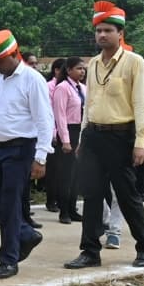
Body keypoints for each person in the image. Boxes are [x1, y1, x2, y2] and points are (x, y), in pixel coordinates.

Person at [65, 1, 144, 269]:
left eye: (108, 31)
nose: (102, 35)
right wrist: (82, 138)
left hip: (121, 137)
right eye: (98, 31)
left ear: (120, 34)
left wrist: (141, 142)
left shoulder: (134, 63)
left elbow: (141, 104)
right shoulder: (92, 64)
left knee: (127, 194)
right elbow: (88, 104)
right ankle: (90, 251)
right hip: (94, 135)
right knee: (91, 195)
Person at [0, 31, 53, 280]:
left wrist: (41, 157)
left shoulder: (32, 80)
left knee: (10, 204)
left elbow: (44, 120)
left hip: (20, 148)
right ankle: (25, 234)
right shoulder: (0, 79)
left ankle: (8, 260)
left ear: (12, 54)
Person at [49, 57, 86, 224]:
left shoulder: (83, 88)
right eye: (78, 68)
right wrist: (65, 140)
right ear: (69, 70)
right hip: (68, 131)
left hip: (80, 130)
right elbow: (60, 116)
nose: (82, 71)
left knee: (77, 173)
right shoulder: (62, 88)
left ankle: (72, 208)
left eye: (83, 69)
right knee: (66, 174)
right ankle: (64, 210)